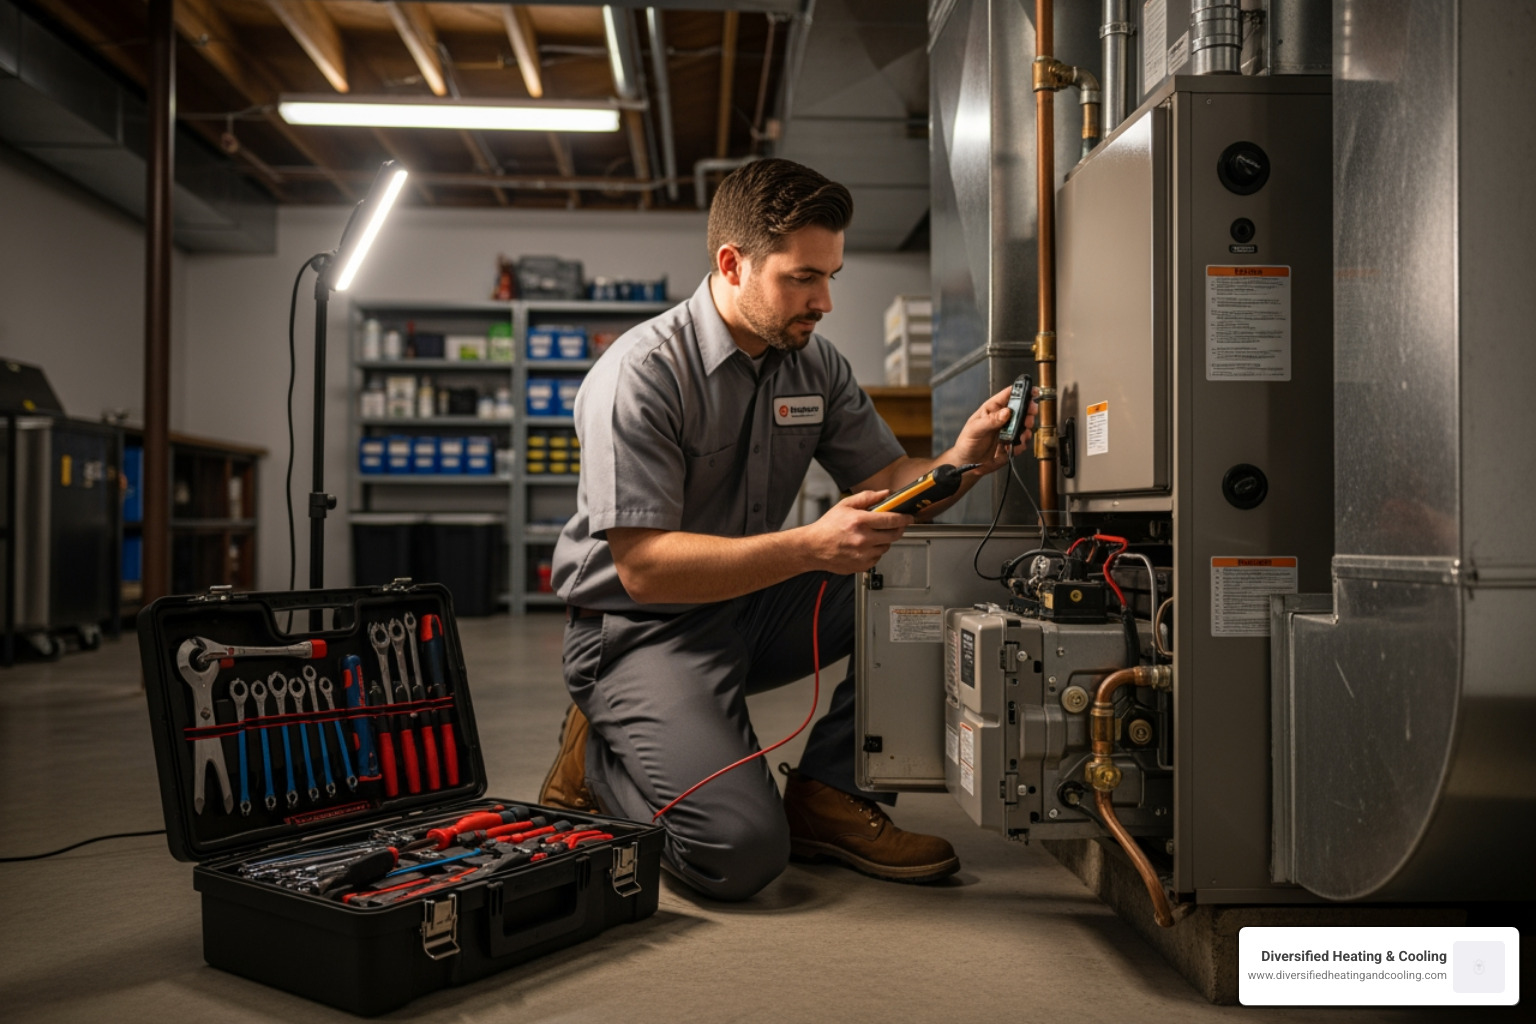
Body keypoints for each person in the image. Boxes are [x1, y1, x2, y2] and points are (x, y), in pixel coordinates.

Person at [540, 158, 1036, 901]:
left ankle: (828, 793)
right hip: (640, 627)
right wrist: (808, 547)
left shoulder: (813, 364)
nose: (825, 300)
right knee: (738, 853)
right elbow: (642, 567)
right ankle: (602, 757)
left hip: (752, 603)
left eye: (830, 275)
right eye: (804, 277)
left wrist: (961, 461)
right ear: (733, 265)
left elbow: (886, 484)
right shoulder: (642, 373)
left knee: (925, 586)